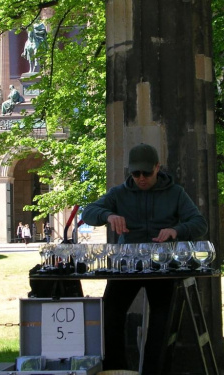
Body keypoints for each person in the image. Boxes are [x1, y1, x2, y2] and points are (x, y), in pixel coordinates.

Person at [81, 143, 208, 373]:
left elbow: (200, 224)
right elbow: (87, 212)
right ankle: (116, 369)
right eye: (136, 173)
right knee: (110, 314)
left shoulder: (175, 193)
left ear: (157, 168)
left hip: (162, 265)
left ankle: (153, 370)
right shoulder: (119, 193)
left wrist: (175, 231)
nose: (141, 178)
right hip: (127, 264)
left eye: (146, 173)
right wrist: (108, 215)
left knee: (162, 320)